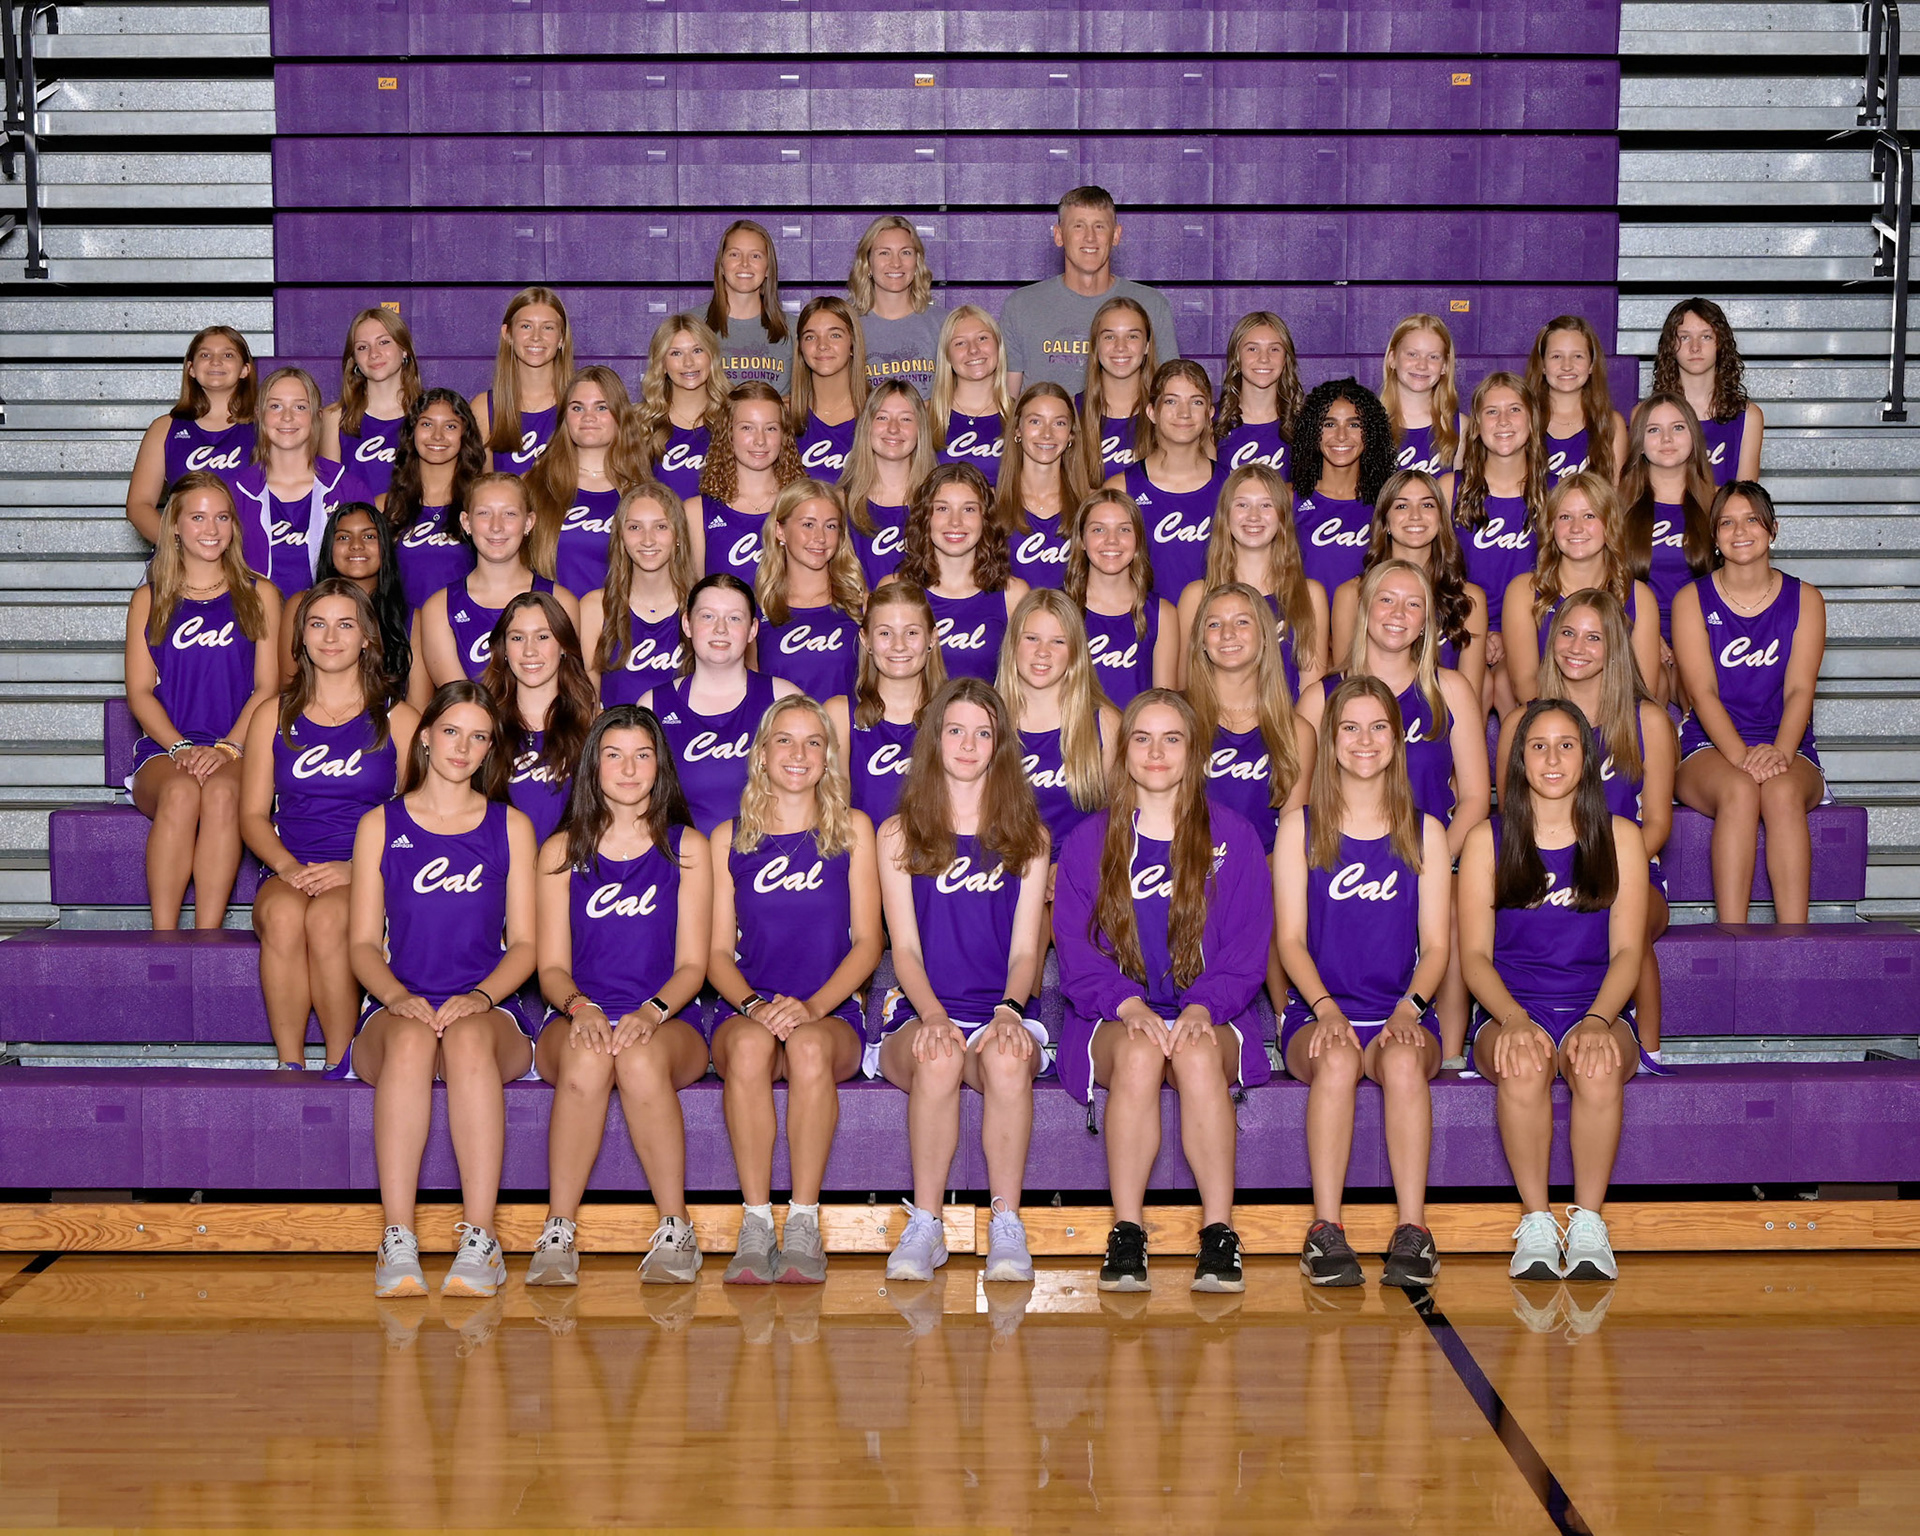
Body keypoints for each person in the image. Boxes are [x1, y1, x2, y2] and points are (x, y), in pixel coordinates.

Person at [1054, 689, 1274, 1294]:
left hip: (1211, 1008)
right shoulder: (1088, 841)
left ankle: (1220, 1233)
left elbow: (1248, 946)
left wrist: (1203, 1004)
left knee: (1197, 1053)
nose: (1156, 752)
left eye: (1172, 738)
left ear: (1194, 751)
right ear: (1123, 751)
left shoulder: (1235, 836)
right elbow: (1075, 948)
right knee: (1141, 1050)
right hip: (1115, 1013)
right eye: (1142, 738)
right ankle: (1127, 1232)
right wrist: (1126, 1004)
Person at [348, 681, 539, 1300]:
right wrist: (396, 996)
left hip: (488, 1009)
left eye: (478, 737)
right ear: (425, 736)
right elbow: (361, 945)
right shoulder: (380, 824)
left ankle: (481, 1239)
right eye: (452, 731)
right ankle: (397, 1236)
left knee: (464, 1040)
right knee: (410, 1042)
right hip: (396, 1004)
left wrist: (480, 997)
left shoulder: (512, 826)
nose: (463, 747)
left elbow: (527, 946)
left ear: (490, 749)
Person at [1459, 697, 1649, 1284]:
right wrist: (1513, 1019)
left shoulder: (1621, 837)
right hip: (1512, 1007)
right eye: (1537, 746)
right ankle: (1537, 1221)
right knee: (1521, 1064)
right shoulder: (1488, 839)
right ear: (1519, 760)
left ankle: (1589, 1223)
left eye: (1566, 745)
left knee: (1597, 1065)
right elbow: (1474, 957)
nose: (1552, 758)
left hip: (1597, 1005)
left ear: (1586, 758)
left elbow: (1628, 952)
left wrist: (1598, 1020)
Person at [1274, 676, 1452, 1288]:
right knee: (1338, 1058)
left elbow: (1437, 947)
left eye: (1378, 727)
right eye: (1349, 727)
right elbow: (1290, 941)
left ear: (1397, 740)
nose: (1365, 740)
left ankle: (1414, 1229)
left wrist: (1409, 1009)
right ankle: (1325, 1228)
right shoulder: (1299, 827)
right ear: (1330, 740)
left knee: (1400, 1062)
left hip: (1399, 1009)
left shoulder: (1426, 831)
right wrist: (1325, 1009)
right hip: (1318, 1011)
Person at [527, 706, 712, 1288]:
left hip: (668, 1018)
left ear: (660, 765)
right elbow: (551, 967)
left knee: (635, 1056)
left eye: (641, 755)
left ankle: (677, 1228)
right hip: (576, 1013)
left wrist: (650, 1012)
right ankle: (558, 1229)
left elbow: (693, 966)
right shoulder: (560, 851)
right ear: (593, 765)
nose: (628, 769)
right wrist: (580, 1007)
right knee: (589, 1056)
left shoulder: (687, 847)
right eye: (614, 755)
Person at [874, 677, 1050, 1283]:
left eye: (982, 733)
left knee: (1007, 1057)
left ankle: (1006, 1224)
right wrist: (933, 1016)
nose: (969, 745)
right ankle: (927, 1225)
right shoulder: (898, 833)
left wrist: (1009, 1010)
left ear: (1000, 745)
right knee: (940, 1053)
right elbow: (904, 950)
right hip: (921, 1009)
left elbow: (1026, 951)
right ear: (935, 739)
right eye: (955, 731)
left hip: (998, 1009)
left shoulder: (1029, 838)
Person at [708, 698, 884, 1284]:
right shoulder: (728, 838)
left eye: (813, 742)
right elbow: (715, 955)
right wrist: (756, 1007)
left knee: (807, 1047)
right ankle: (756, 1223)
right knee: (751, 1046)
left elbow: (869, 943)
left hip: (828, 1013)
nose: (798, 754)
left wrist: (812, 1008)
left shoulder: (853, 830)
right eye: (784, 739)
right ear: (761, 753)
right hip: (749, 1010)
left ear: (828, 757)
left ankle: (804, 1221)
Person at [1303, 559, 1490, 1058]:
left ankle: (1447, 1052)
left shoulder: (1450, 690)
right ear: (1365, 610)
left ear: (1428, 620)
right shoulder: (1322, 697)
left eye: (1413, 604)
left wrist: (1431, 863)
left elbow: (1476, 796)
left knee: (1453, 910)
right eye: (1386, 600)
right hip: (1342, 859)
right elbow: (1302, 801)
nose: (1398, 613)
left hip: (1429, 856)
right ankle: (1296, 1020)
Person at [243, 579, 414, 1070]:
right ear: (301, 636)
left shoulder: (399, 718)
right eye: (318, 624)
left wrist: (356, 869)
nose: (331, 637)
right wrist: (288, 868)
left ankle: (340, 1062)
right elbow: (252, 815)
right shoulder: (272, 715)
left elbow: (416, 819)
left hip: (368, 870)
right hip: (290, 863)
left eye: (345, 625)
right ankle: (289, 1064)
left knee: (327, 919)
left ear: (367, 638)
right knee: (282, 915)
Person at [1499, 589, 1676, 1053]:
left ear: (1614, 646)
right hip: (1540, 869)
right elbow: (1511, 817)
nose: (1577, 647)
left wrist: (1609, 868)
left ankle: (1648, 1051)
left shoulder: (1647, 720)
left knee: (1632, 923)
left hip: (1625, 869)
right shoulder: (1522, 723)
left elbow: (1658, 822)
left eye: (1593, 637)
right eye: (1567, 633)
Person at [124, 472, 282, 930]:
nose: (211, 529)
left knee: (221, 793)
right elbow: (139, 691)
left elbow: (267, 687)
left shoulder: (260, 593)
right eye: (197, 517)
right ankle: (164, 938)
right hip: (166, 748)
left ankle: (207, 937)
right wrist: (179, 747)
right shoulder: (149, 599)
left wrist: (229, 747)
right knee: (179, 793)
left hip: (239, 746)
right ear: (174, 525)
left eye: (222, 517)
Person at [1673, 482, 1826, 923]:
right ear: (1714, 536)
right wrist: (1742, 758)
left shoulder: (1806, 599)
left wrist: (1779, 753)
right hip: (1708, 745)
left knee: (1781, 792)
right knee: (1740, 791)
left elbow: (1799, 690)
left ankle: (1794, 938)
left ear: (1773, 529)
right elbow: (1702, 693)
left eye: (1752, 520)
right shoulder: (1691, 599)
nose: (1740, 531)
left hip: (1787, 744)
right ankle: (1733, 936)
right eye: (1727, 522)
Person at [635, 574, 801, 835]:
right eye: (708, 616)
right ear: (687, 624)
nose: (720, 629)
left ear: (753, 629)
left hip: (767, 856)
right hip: (682, 856)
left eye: (734, 618)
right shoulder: (654, 705)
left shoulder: (783, 698)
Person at [999, 185, 1179, 393]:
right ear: (1059, 235)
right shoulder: (1020, 306)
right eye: (1078, 226)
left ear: (1116, 235)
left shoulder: (1152, 305)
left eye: (1099, 226)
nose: (1090, 237)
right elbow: (1008, 401)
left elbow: (1171, 392)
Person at [1503, 473, 1661, 706]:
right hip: (1548, 715)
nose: (1576, 527)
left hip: (1616, 717)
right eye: (1565, 517)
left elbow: (1643, 689)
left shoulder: (1639, 597)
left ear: (1610, 524)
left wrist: (1598, 720)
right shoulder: (1524, 591)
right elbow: (1525, 683)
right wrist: (1568, 720)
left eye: (1589, 516)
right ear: (1551, 526)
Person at [1331, 469, 1488, 698]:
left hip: (1441, 717)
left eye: (1427, 505)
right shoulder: (1352, 594)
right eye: (1402, 506)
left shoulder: (1470, 599)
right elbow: (1346, 690)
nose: (1415, 515)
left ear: (1441, 519)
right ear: (1385, 521)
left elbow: (1470, 696)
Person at [1176, 463, 1327, 697]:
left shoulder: (1309, 594)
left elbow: (1312, 694)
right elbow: (1188, 688)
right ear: (1225, 515)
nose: (1253, 516)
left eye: (1266, 505)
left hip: (1288, 720)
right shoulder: (1197, 596)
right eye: (1242, 505)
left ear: (1282, 516)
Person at [1182, 583, 1314, 852]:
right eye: (1214, 624)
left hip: (1263, 873)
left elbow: (1290, 843)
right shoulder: (1177, 717)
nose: (1228, 633)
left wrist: (1253, 874)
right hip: (1186, 870)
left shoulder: (1296, 732)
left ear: (1265, 635)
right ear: (1202, 642)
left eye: (1242, 622)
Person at [1444, 370, 1546, 712]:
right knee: (1473, 687)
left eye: (1514, 409)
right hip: (1460, 625)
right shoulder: (1449, 489)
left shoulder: (1557, 492)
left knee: (1505, 685)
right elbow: (1432, 572)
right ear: (1476, 426)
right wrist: (1478, 632)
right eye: (1491, 411)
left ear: (1532, 420)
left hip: (1531, 627)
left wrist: (1508, 634)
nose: (1503, 421)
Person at [230, 367, 378, 597]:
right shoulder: (235, 492)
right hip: (254, 615)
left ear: (317, 417)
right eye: (275, 406)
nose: (287, 417)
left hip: (332, 616)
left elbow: (372, 573)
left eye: (300, 407)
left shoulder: (349, 489)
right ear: (259, 414)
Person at [419, 472, 578, 685]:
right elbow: (458, 700)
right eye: (484, 513)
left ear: (528, 522)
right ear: (466, 522)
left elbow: (569, 687)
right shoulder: (440, 608)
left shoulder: (561, 601)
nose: (496, 526)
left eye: (509, 514)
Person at [998, 588, 1118, 856]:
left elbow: (1118, 823)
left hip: (1079, 870)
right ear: (1013, 643)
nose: (1043, 652)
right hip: (1004, 871)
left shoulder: (1105, 724)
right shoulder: (987, 721)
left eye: (1058, 642)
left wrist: (1069, 869)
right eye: (1032, 638)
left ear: (1075, 651)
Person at [827, 577, 947, 829]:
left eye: (911, 633)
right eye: (885, 633)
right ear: (865, 640)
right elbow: (836, 814)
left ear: (932, 638)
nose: (898, 645)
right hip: (861, 851)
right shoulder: (840, 714)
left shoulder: (954, 713)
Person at [892, 462, 1028, 682]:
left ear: (985, 518)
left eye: (969, 509)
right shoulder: (895, 588)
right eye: (942, 509)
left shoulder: (1013, 594)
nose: (955, 522)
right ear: (925, 517)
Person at [1107, 359, 1229, 602]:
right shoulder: (1122, 489)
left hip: (1214, 622)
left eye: (1196, 402)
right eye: (1171, 401)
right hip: (1145, 623)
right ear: (1151, 411)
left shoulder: (1232, 486)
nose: (1184, 413)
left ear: (1209, 414)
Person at [481, 590, 597, 844]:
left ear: (563, 646)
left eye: (543, 636)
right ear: (503, 649)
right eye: (517, 638)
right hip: (497, 864)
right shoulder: (483, 723)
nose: (529, 651)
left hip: (572, 864)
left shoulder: (594, 723)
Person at [126, 324, 257, 543]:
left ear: (245, 369)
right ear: (191, 368)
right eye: (205, 355)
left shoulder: (266, 427)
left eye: (228, 355)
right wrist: (179, 548)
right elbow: (139, 505)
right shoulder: (164, 428)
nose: (215, 361)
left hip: (248, 555)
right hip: (182, 557)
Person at [527, 366, 649, 597]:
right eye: (577, 408)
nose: (588, 417)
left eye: (601, 407)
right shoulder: (535, 485)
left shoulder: (644, 493)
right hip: (551, 615)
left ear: (620, 415)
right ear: (564, 418)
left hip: (617, 617)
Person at [753, 478, 866, 704]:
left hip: (848, 727)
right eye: (808, 524)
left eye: (831, 526)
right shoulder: (757, 609)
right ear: (780, 531)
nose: (820, 538)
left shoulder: (861, 606)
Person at [582, 483, 695, 708]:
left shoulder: (701, 606)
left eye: (661, 526)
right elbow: (589, 705)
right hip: (615, 729)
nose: (648, 540)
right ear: (621, 536)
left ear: (678, 534)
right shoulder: (595, 607)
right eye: (635, 527)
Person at [1619, 391, 1718, 647]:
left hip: (1706, 633)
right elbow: (1605, 583)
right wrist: (1648, 638)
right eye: (1653, 430)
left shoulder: (1719, 503)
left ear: (1694, 436)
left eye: (1678, 427)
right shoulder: (1616, 505)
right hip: (1631, 631)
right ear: (1639, 442)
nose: (1666, 438)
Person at [1064, 489, 1177, 708]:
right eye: (1098, 529)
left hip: (1136, 730)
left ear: (1138, 540)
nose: (1111, 540)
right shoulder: (1057, 609)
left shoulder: (1161, 614)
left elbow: (1164, 708)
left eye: (1124, 529)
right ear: (1081, 540)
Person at [303, 501, 421, 709]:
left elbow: (418, 705)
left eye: (369, 536)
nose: (356, 545)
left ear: (385, 546)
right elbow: (289, 691)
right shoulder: (303, 606)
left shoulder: (411, 618)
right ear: (330, 548)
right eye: (343, 537)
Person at [689, 381, 803, 588]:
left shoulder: (805, 504)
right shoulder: (696, 511)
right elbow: (695, 594)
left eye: (771, 428)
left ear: (784, 435)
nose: (760, 440)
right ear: (728, 433)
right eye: (747, 428)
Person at [1291, 378, 1397, 595]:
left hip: (1366, 616)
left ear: (1371, 432)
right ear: (1312, 431)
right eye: (1329, 424)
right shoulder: (1289, 497)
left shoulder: (1389, 501)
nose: (1341, 436)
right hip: (1304, 616)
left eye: (1354, 424)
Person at [380, 387, 484, 612]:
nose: (437, 436)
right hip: (402, 628)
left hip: (465, 625)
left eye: (450, 426)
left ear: (465, 434)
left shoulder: (481, 503)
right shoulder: (385, 506)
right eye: (427, 424)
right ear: (412, 432)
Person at [1651, 297, 1764, 483]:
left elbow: (1744, 497)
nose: (1695, 347)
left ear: (1720, 343)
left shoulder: (1748, 417)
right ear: (1670, 345)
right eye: (1684, 337)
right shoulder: (1647, 415)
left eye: (1706, 337)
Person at [838, 379, 934, 588]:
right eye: (882, 417)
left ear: (920, 429)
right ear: (867, 425)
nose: (893, 428)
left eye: (906, 419)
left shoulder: (938, 502)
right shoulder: (840, 503)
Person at [320, 307, 423, 499]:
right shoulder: (335, 417)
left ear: (404, 350)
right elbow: (331, 497)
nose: (374, 353)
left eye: (384, 342)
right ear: (353, 359)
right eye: (362, 347)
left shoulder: (429, 413)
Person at [997, 381, 1090, 588]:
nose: (1047, 434)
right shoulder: (990, 505)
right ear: (1017, 429)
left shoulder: (1090, 506)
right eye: (1035, 421)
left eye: (1059, 423)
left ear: (1071, 434)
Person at [471, 286, 573, 474]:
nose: (536, 337)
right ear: (507, 334)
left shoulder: (579, 405)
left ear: (562, 338)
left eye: (548, 328)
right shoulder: (484, 408)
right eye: (526, 326)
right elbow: (482, 487)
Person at [846, 213, 946, 399]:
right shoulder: (847, 325)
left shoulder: (944, 324)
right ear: (868, 263)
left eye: (905, 252)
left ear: (917, 261)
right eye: (884, 253)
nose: (896, 263)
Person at [635, 311, 731, 502]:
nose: (688, 362)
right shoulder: (640, 423)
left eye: (697, 350)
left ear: (711, 357)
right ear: (662, 364)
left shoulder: (734, 417)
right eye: (676, 353)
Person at [1527, 314, 1626, 486]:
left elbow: (1615, 495)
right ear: (1542, 365)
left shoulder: (1611, 424)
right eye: (1556, 356)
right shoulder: (1524, 420)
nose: (1567, 366)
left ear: (1592, 364)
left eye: (1578, 356)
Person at [1214, 310, 1306, 479]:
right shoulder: (1212, 421)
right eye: (1252, 349)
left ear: (1286, 359)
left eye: (1274, 349)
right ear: (1236, 357)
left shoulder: (1303, 424)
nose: (1264, 358)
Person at [1076, 295, 1158, 481]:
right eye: (1109, 337)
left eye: (1132, 336)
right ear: (1095, 345)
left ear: (1146, 345)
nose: (1120, 347)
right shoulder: (1071, 412)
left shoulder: (1168, 414)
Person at [789, 295, 869, 483]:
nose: (822, 345)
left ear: (852, 343)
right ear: (800, 348)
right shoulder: (783, 415)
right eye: (810, 337)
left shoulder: (880, 414)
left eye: (835, 335)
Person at [705, 219, 792, 390]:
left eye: (755, 256)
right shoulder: (692, 326)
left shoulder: (794, 330)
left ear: (768, 268)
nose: (744, 263)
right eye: (734, 254)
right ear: (721, 265)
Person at [930, 305, 1013, 484]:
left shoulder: (1020, 415)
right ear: (947, 355)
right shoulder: (926, 416)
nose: (973, 350)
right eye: (960, 343)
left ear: (998, 345)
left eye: (982, 338)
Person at [1379, 315, 1463, 475]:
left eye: (1433, 357)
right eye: (1412, 354)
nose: (1422, 365)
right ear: (1392, 359)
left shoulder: (1461, 428)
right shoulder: (1366, 423)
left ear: (1444, 366)